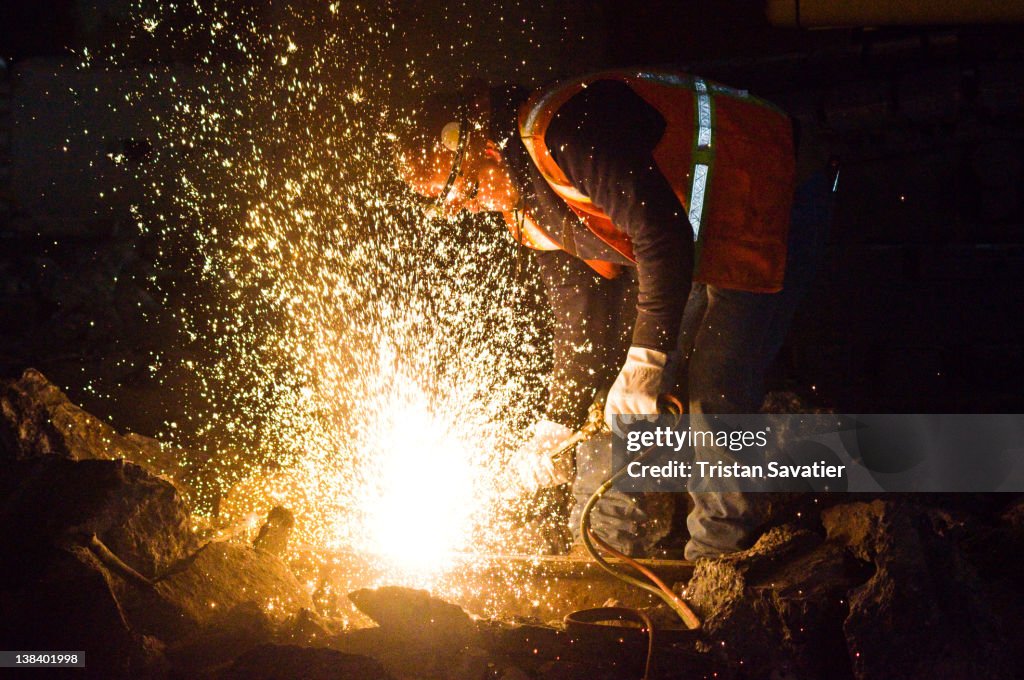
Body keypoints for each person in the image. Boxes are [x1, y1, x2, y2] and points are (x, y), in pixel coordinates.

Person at [394, 69, 831, 561]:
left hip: (766, 184)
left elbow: (661, 237)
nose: (473, 210)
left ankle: (720, 561)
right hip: (694, 234)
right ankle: (606, 553)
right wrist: (558, 420)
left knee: (716, 382)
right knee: (624, 385)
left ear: (487, 154)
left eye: (468, 193)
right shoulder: (525, 200)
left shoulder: (563, 134)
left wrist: (646, 360)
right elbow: (578, 315)